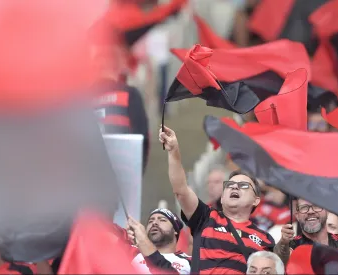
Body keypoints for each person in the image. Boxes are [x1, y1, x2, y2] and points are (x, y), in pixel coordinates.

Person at [159, 125, 275, 275]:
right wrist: (173, 151)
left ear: (256, 200)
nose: (235, 187)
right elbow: (181, 190)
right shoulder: (206, 217)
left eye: (243, 185)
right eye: (230, 185)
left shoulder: (265, 239)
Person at [91, 41, 149, 173]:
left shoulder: (82, 100)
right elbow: (142, 140)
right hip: (122, 174)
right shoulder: (130, 95)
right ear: (117, 67)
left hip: (89, 179)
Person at [274, 198, 338, 264]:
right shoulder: (292, 245)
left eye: (316, 206)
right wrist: (283, 243)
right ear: (297, 215)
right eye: (304, 207)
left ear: (327, 211)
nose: (310, 211)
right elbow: (278, 260)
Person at [127, 209, 191, 274]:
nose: (154, 223)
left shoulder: (190, 262)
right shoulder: (132, 252)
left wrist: (144, 242)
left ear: (175, 230)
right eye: (150, 221)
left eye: (162, 220)